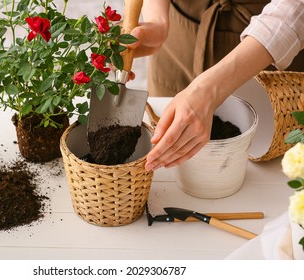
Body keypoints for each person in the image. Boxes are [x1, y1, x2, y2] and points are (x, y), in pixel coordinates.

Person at [127, 0, 304, 171]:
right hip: (178, 32)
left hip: (263, 46)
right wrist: (157, 19)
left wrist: (208, 89)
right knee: (171, 134)